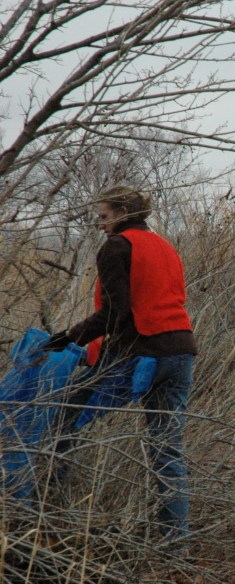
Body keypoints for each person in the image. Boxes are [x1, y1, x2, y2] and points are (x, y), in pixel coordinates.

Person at [39, 186, 197, 545]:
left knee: (64, 413)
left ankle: (43, 517)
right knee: (167, 448)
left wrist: (66, 337)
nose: (100, 224)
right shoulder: (164, 245)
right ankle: (177, 546)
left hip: (143, 355)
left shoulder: (116, 246)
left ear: (123, 212)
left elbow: (114, 314)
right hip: (181, 351)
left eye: (104, 216)